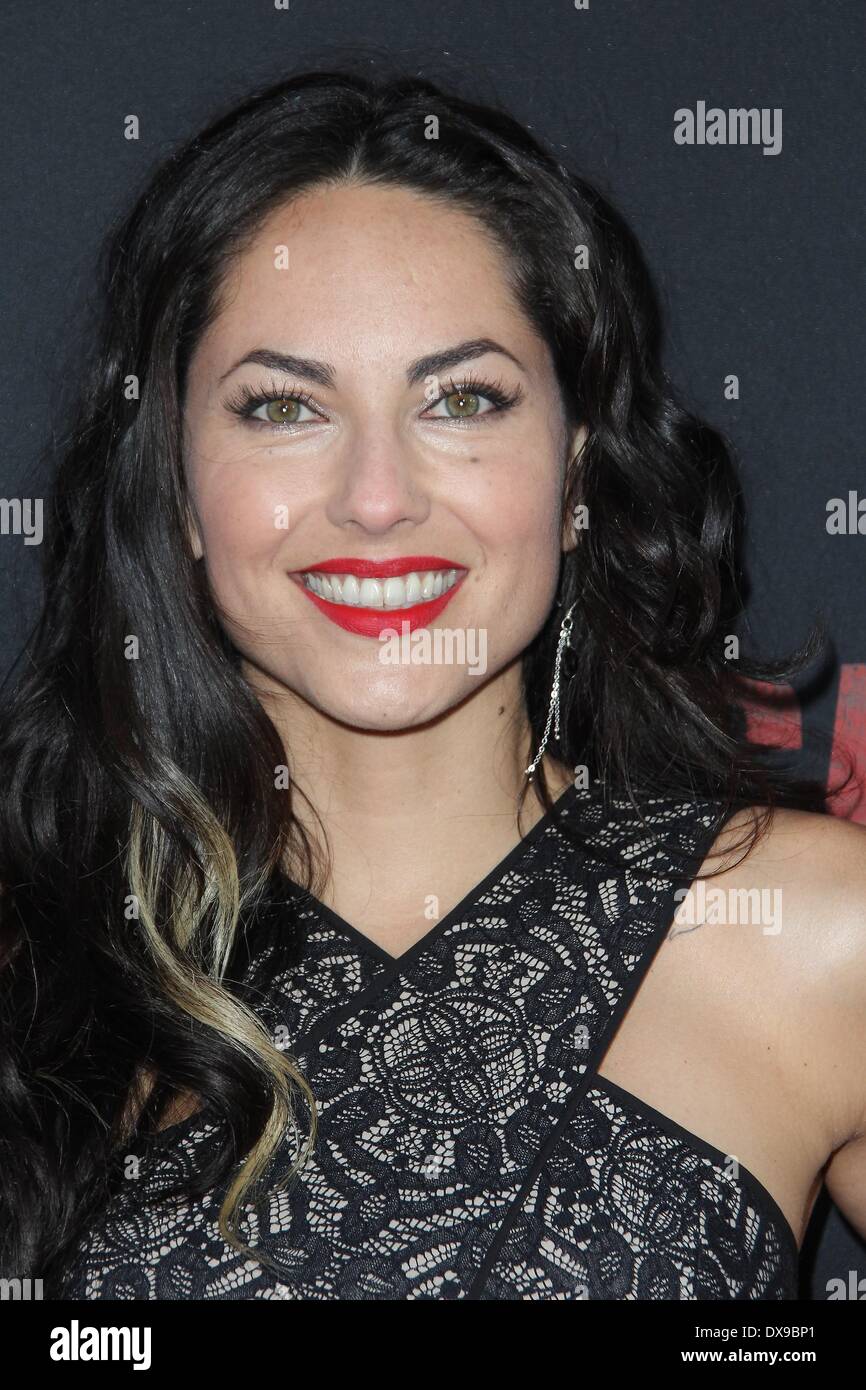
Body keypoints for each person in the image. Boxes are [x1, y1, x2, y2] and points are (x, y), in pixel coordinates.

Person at [1, 68, 864, 1302]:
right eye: (282, 407)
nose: (375, 498)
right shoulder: (39, 957)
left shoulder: (817, 935)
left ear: (575, 474)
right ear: (178, 484)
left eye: (461, 399)